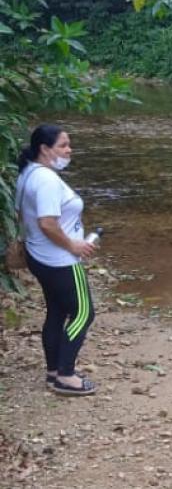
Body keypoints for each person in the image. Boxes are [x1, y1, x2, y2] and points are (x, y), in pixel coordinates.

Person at [15, 125, 98, 396]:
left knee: (57, 312)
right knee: (84, 313)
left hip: (38, 256)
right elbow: (48, 223)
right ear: (45, 149)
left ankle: (53, 372)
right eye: (63, 145)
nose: (69, 150)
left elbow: (23, 216)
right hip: (60, 260)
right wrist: (73, 244)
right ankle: (66, 375)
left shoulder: (28, 174)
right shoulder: (48, 181)